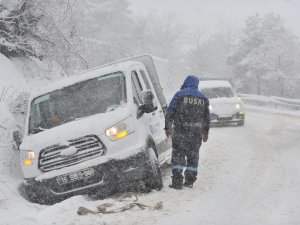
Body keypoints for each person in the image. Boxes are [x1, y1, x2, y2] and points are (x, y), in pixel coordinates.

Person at [165, 75, 210, 189]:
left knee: (178, 155)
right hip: (196, 134)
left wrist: (168, 127)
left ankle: (177, 182)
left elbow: (170, 112)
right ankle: (189, 181)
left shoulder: (179, 95)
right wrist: (205, 132)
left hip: (180, 131)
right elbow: (207, 118)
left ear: (185, 82)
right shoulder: (203, 98)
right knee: (193, 156)